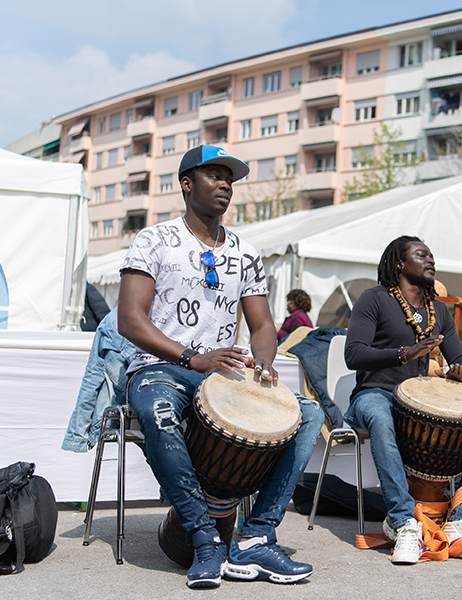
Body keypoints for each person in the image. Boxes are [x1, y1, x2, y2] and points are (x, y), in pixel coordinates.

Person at [117, 145, 323, 589]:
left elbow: (263, 324)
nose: (226, 184)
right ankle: (203, 536)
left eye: (230, 178)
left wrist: (263, 365)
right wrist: (191, 358)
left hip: (221, 374)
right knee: (159, 411)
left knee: (306, 415)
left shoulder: (245, 253)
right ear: (187, 183)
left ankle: (256, 536)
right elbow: (130, 320)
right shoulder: (154, 240)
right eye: (214, 175)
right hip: (160, 366)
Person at [344, 235, 462, 565]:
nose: (430, 260)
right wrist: (404, 353)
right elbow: (353, 354)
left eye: (432, 255)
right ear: (400, 263)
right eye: (421, 255)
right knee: (381, 416)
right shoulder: (373, 300)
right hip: (375, 395)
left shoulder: (438, 311)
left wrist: (460, 372)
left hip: (417, 406)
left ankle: (460, 523)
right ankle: (403, 524)